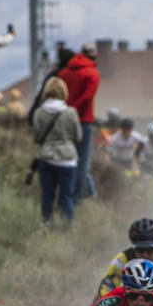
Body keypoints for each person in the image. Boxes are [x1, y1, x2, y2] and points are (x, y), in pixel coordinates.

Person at [32, 76, 82, 227]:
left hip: (46, 157)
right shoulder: (71, 112)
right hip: (67, 159)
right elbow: (78, 136)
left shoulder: (39, 112)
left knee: (47, 194)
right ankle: (67, 225)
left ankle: (47, 223)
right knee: (66, 195)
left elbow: (37, 137)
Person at [58, 42, 99, 203]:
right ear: (94, 55)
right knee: (82, 161)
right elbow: (88, 96)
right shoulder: (92, 73)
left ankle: (64, 195)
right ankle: (78, 197)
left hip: (64, 121)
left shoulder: (63, 73)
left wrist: (66, 110)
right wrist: (73, 110)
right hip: (83, 121)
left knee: (65, 159)